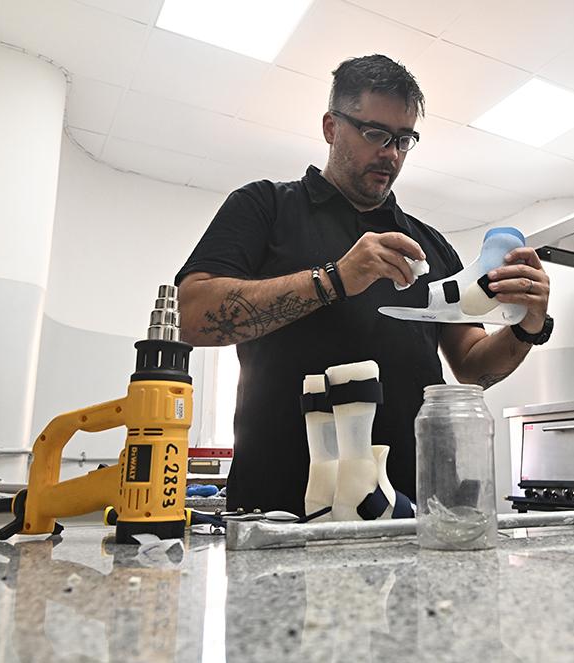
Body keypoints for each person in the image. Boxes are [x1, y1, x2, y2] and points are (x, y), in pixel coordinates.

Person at [176, 54, 552, 516]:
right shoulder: (265, 206)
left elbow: (473, 367)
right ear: (331, 127)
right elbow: (192, 317)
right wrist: (334, 279)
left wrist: (527, 327)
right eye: (375, 133)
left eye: (404, 139)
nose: (391, 153)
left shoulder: (429, 244)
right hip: (280, 512)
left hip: (413, 512)